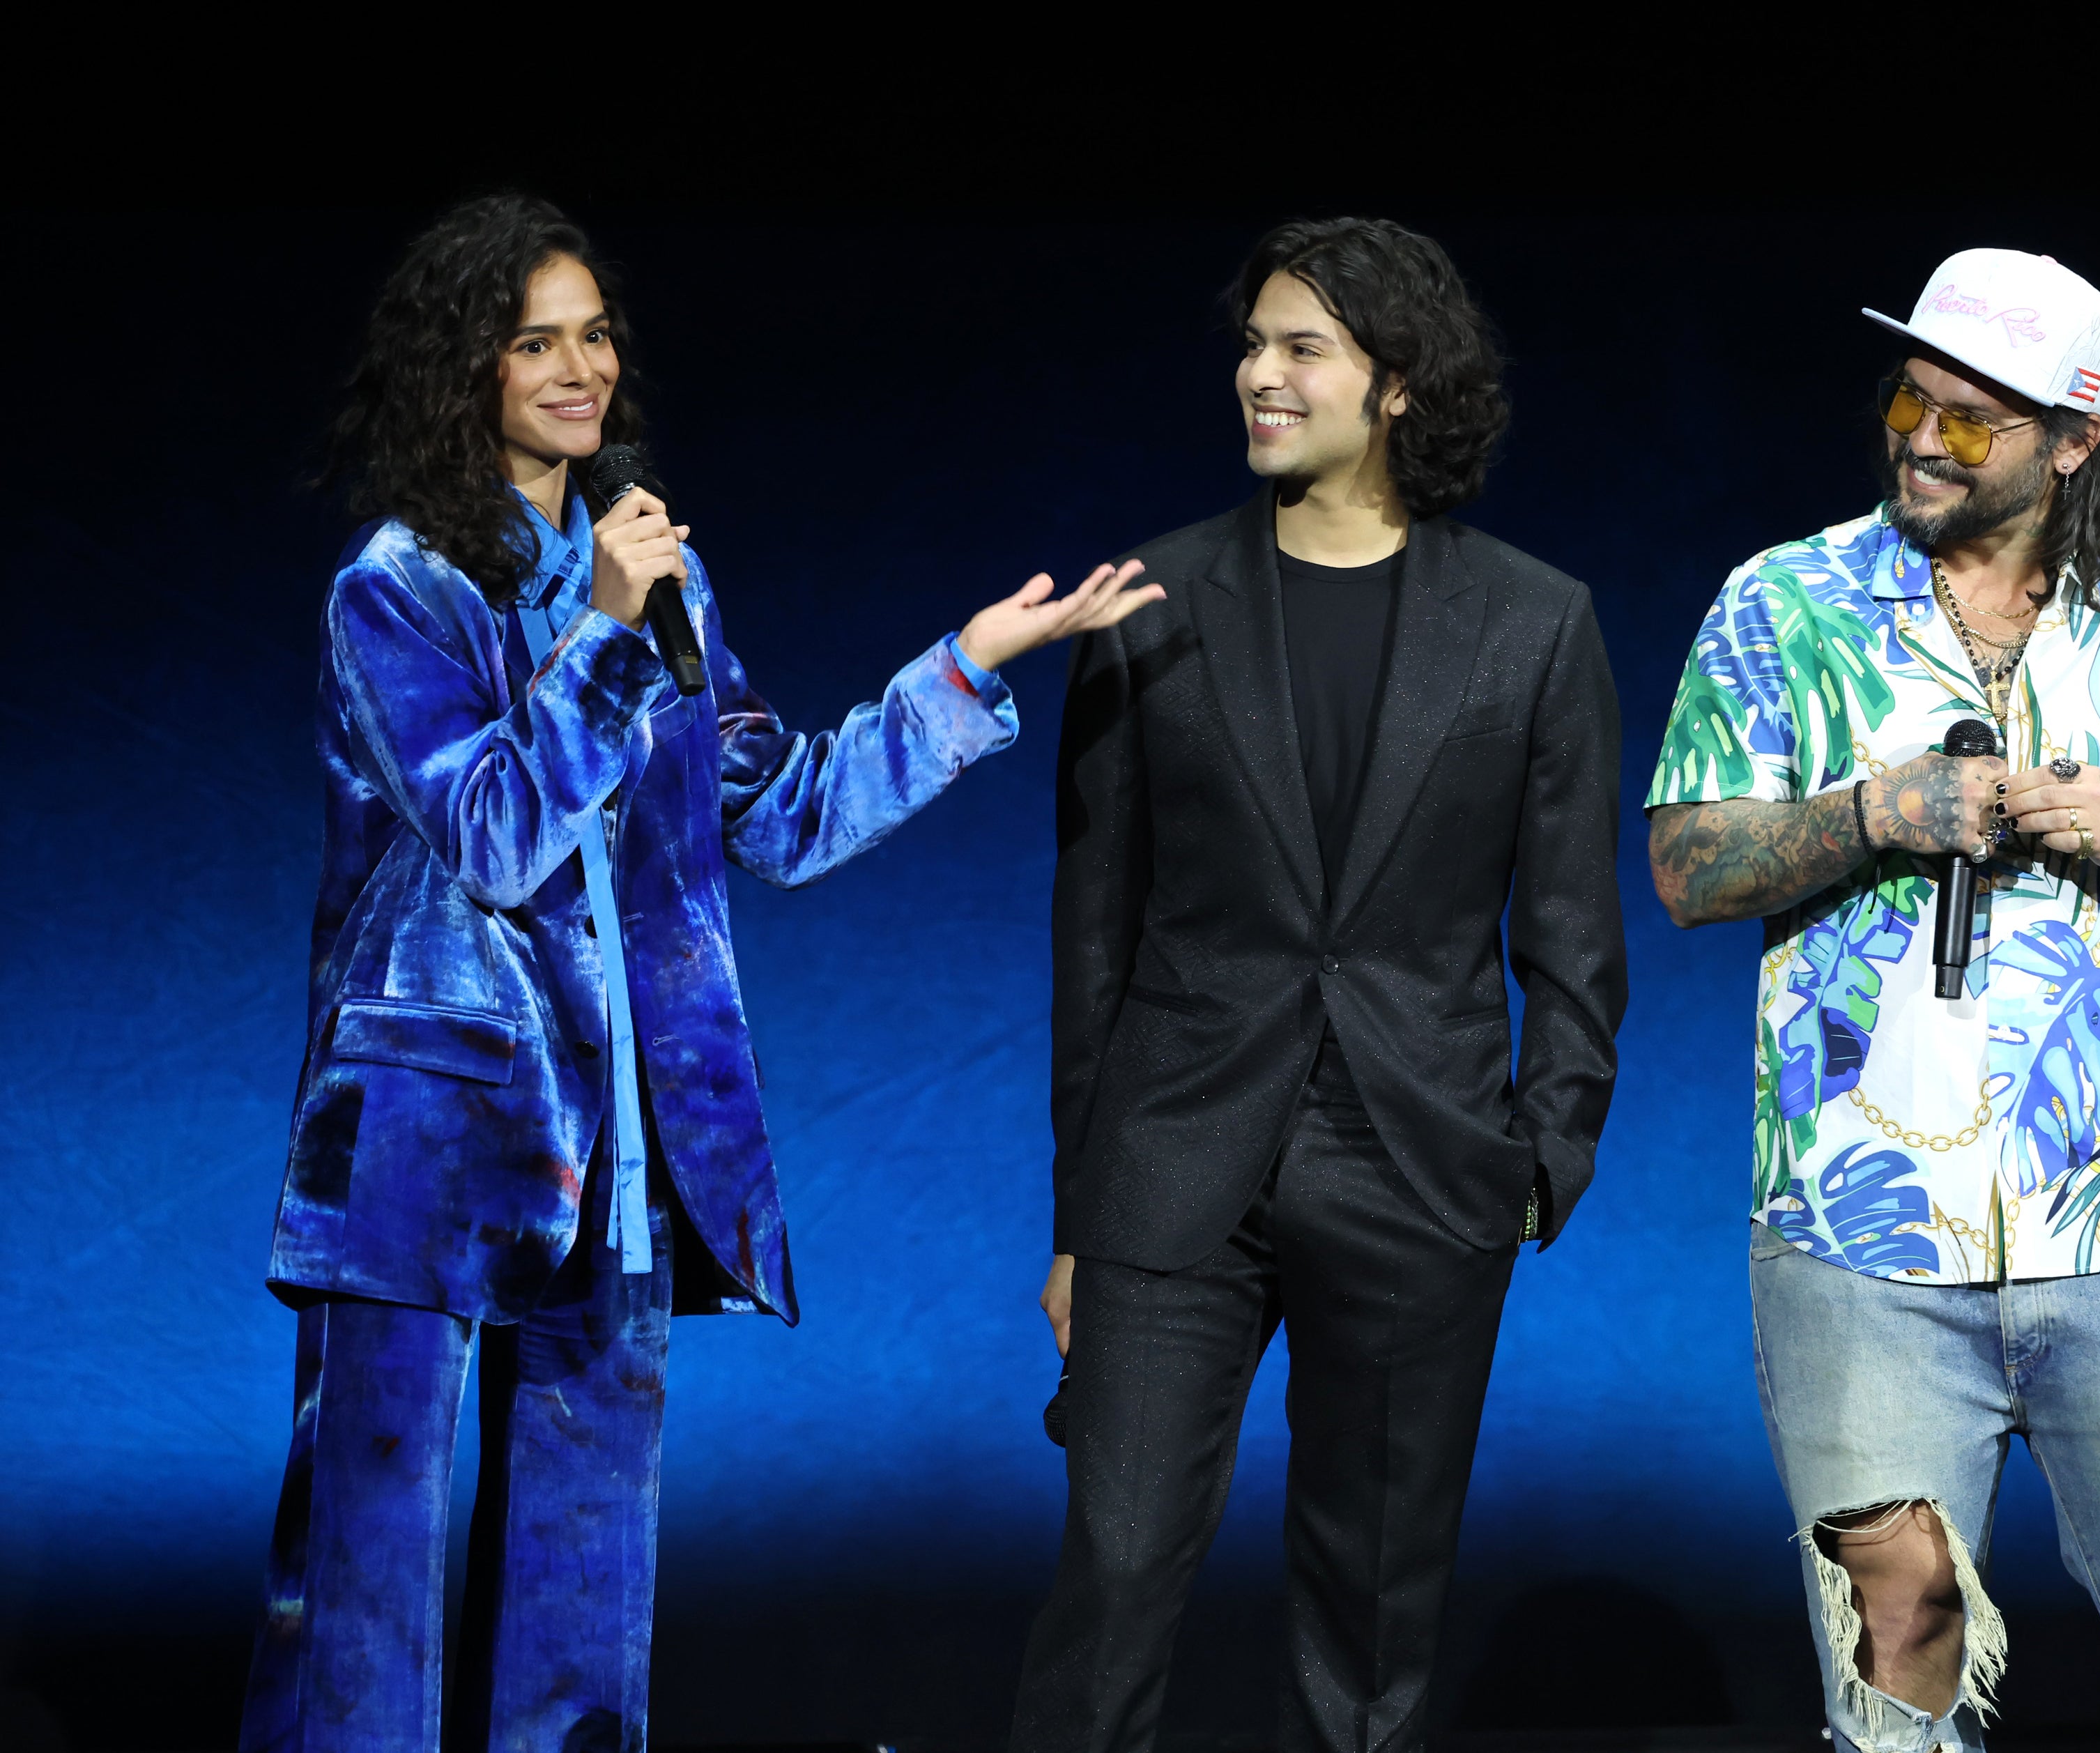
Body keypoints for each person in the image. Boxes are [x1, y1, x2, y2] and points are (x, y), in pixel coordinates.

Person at [241, 193, 1160, 1753]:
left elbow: (778, 814)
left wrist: (966, 667)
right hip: (423, 1138)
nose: (578, 367)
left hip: (625, 1149)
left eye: (594, 334)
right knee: (366, 1569)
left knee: (589, 1572)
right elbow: (492, 833)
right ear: (459, 367)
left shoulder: (658, 572)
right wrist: (604, 627)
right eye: (534, 340)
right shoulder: (395, 588)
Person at [1645, 248, 2100, 1750]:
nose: (1921, 441)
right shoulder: (1781, 605)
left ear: (2074, 442)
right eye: (1910, 400)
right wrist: (1876, 809)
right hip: (1857, 1233)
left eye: (1972, 422)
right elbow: (1685, 865)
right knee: (1906, 1623)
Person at [1013, 216, 1627, 1753]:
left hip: (1421, 1165)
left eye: (1302, 348)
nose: (1258, 376)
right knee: (1115, 1567)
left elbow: (1571, 927)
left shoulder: (1535, 622)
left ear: (1397, 382)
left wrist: (1541, 1154)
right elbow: (1095, 926)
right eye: (1253, 344)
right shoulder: (1148, 596)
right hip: (1171, 1162)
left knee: (1370, 1618)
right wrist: (1080, 1211)